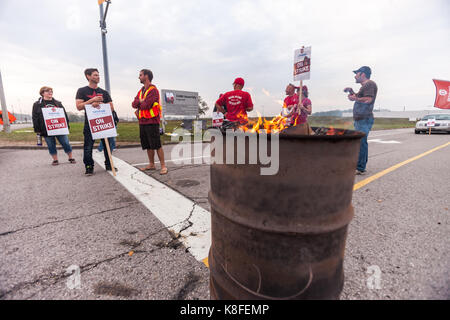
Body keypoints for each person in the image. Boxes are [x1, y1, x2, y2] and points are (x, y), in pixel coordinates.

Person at [75, 68, 117, 176]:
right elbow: (79, 106)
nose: (98, 77)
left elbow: (111, 107)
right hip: (90, 123)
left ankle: (109, 164)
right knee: (88, 146)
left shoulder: (104, 92)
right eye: (95, 75)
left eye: (98, 75)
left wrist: (100, 104)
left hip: (104, 122)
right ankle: (89, 166)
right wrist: (91, 101)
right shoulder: (82, 90)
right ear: (88, 76)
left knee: (108, 144)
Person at [132, 69, 168, 175]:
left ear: (146, 76)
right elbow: (133, 104)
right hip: (142, 122)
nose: (139, 77)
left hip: (152, 121)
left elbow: (146, 105)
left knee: (156, 144)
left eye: (140, 75)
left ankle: (163, 166)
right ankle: (151, 164)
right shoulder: (141, 90)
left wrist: (140, 102)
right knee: (147, 145)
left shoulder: (153, 90)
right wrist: (140, 101)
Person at [345, 66, 378, 175]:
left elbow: (368, 100)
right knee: (360, 142)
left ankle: (360, 167)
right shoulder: (364, 87)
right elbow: (359, 97)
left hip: (364, 118)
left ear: (363, 74)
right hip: (361, 119)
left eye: (356, 73)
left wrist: (355, 98)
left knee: (361, 142)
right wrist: (351, 92)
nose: (355, 76)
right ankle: (360, 165)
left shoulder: (369, 84)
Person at [32, 86, 75, 165]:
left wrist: (67, 126)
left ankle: (70, 157)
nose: (50, 92)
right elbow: (35, 117)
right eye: (47, 91)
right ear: (42, 93)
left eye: (51, 91)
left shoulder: (58, 103)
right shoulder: (37, 104)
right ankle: (55, 160)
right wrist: (37, 129)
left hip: (60, 127)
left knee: (65, 143)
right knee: (51, 145)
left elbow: (64, 115)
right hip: (46, 129)